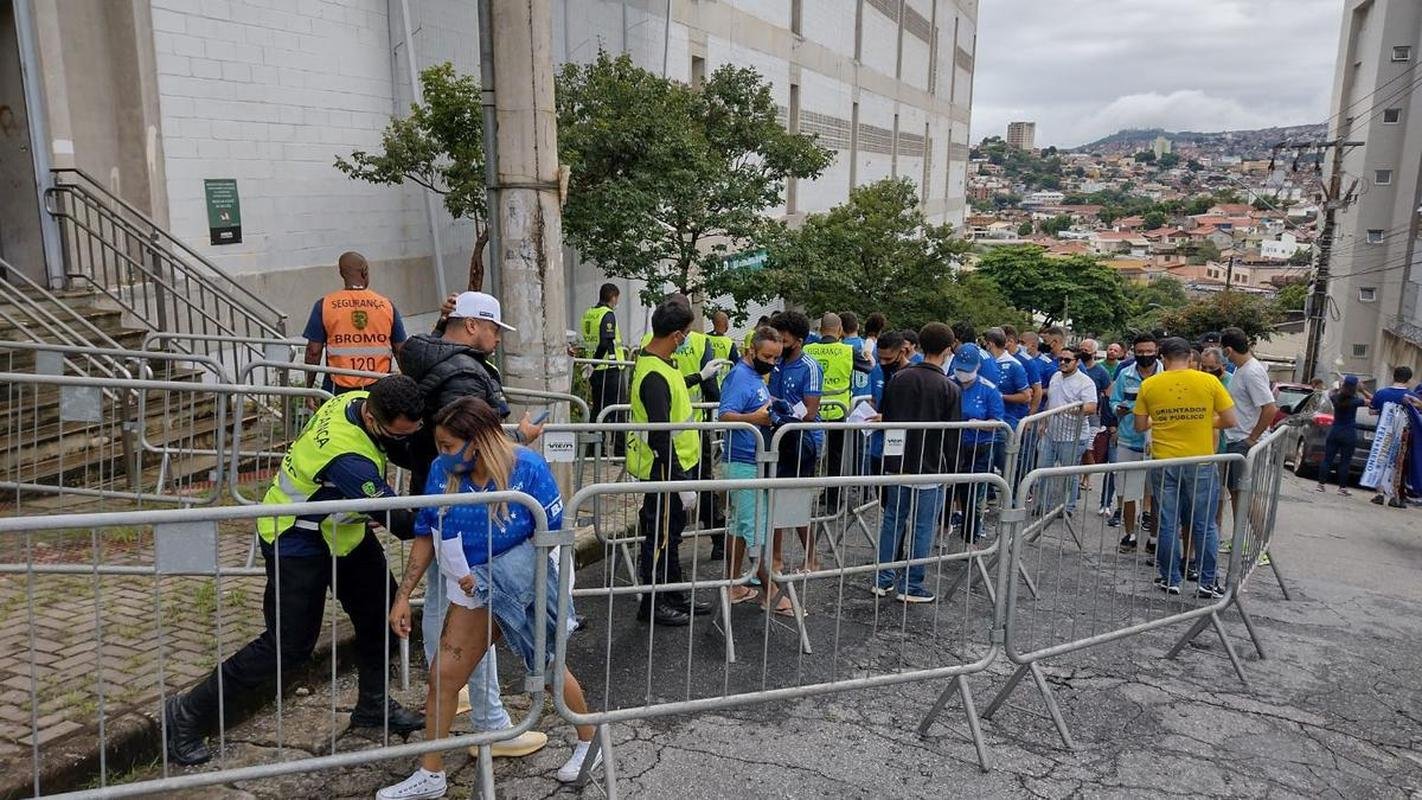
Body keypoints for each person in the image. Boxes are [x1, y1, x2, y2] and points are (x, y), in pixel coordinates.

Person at [163, 376, 427, 766]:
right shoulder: (349, 458)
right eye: (396, 435)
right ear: (372, 419)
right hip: (294, 539)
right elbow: (403, 525)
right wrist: (446, 494)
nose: (402, 442)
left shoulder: (358, 397)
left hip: (341, 531)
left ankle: (373, 706)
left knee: (383, 617)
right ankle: (186, 715)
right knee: (287, 647)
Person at [379, 398, 599, 799]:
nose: (442, 455)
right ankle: (431, 772)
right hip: (473, 590)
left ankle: (589, 742)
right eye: (439, 446)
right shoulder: (440, 471)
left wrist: (543, 594)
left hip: (523, 584)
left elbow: (553, 537)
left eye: (449, 446)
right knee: (443, 677)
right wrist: (403, 595)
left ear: (477, 442)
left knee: (548, 666)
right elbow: (426, 532)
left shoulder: (527, 467)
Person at [397, 291, 548, 760]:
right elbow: (472, 439)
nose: (496, 339)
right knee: (472, 622)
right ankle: (492, 724)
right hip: (468, 510)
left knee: (446, 613)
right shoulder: (464, 372)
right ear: (470, 326)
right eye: (493, 329)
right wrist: (519, 436)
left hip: (444, 504)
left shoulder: (427, 355)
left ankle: (454, 692)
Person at [628, 300, 712, 626]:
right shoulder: (653, 374)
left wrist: (698, 376)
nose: (688, 338)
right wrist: (679, 482)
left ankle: (674, 594)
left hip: (678, 465)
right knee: (660, 537)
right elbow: (660, 436)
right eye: (687, 333)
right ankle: (652, 604)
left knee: (671, 535)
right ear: (677, 334)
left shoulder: (663, 364)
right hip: (664, 469)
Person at [1134, 337, 1237, 598]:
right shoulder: (1209, 381)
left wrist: (1162, 421)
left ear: (1163, 358)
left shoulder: (1149, 384)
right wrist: (1203, 422)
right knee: (1205, 523)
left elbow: (1138, 425)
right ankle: (1207, 580)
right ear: (1190, 359)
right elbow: (1230, 420)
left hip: (1165, 461)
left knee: (1168, 522)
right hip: (1200, 461)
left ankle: (1170, 578)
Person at [874, 323, 961, 602]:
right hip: (931, 466)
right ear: (948, 350)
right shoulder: (949, 388)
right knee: (923, 526)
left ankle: (883, 578)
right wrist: (953, 469)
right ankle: (912, 584)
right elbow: (952, 436)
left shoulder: (899, 378)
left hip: (896, 461)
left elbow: (885, 415)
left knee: (893, 521)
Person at [717, 326, 785, 610]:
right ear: (751, 351)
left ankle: (734, 584)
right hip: (742, 462)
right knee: (755, 527)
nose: (771, 363)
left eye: (775, 358)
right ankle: (772, 593)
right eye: (767, 356)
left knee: (739, 526)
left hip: (750, 460)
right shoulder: (739, 376)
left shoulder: (755, 376)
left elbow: (752, 407)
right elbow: (725, 415)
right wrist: (756, 418)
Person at [302, 251, 408, 395]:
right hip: (378, 389)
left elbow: (313, 352)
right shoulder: (386, 305)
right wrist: (409, 384)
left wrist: (308, 389)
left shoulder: (325, 305)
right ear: (365, 271)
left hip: (336, 390)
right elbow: (401, 351)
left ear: (341, 273)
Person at [769, 311, 825, 576]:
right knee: (775, 498)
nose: (779, 343)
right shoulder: (776, 362)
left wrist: (780, 414)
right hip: (778, 437)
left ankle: (812, 557)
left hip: (802, 441)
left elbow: (810, 411)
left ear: (799, 340)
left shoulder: (810, 367)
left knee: (794, 501)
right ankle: (776, 559)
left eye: (783, 338)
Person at [804, 312, 870, 512]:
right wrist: (867, 354)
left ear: (820, 329)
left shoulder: (808, 349)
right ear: (840, 330)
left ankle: (802, 501)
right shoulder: (848, 351)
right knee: (835, 458)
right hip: (837, 412)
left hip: (811, 410)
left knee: (807, 455)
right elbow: (868, 367)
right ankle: (833, 502)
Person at [1220, 328, 1278, 522]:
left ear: (1228, 350)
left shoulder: (1252, 372)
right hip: (1235, 438)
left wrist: (1251, 438)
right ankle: (1239, 538)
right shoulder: (1241, 369)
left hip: (1243, 440)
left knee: (1245, 495)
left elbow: (1270, 408)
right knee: (1236, 493)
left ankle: (1255, 542)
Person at [948, 343, 1004, 544]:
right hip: (952, 447)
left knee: (972, 496)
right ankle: (943, 528)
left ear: (977, 367)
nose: (963, 374)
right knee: (947, 491)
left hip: (978, 448)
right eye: (960, 369)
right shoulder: (948, 383)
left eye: (967, 370)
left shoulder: (989, 390)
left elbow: (997, 422)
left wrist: (979, 424)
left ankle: (970, 538)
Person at [1110, 333, 1160, 551]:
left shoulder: (1166, 374)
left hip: (1158, 442)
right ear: (1134, 351)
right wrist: (1117, 409)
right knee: (1128, 492)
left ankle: (1154, 538)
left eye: (1149, 351)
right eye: (1140, 352)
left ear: (1156, 350)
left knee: (1157, 494)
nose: (1145, 355)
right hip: (1129, 439)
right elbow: (1113, 400)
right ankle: (1129, 534)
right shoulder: (1125, 374)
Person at [1037, 346, 1097, 517]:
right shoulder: (1056, 377)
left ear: (1077, 362)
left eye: (1067, 360)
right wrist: (1044, 421)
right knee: (1042, 470)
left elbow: (1091, 407)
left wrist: (1071, 409)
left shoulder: (1085, 382)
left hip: (1073, 436)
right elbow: (1051, 401)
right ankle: (1043, 505)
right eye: (1060, 359)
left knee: (1068, 474)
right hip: (1051, 433)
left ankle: (1067, 507)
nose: (1062, 363)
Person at [580, 282, 629, 431]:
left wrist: (592, 365)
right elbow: (604, 342)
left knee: (598, 411)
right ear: (613, 297)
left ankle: (592, 450)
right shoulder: (607, 315)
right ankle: (620, 452)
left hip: (595, 371)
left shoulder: (588, 314)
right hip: (610, 368)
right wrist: (594, 364)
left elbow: (589, 340)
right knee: (617, 412)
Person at [1369, 366, 1420, 507]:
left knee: (1381, 461)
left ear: (1394, 376)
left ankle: (1379, 494)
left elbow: (1371, 412)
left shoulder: (1381, 393)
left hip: (1383, 433)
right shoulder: (1412, 396)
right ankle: (1394, 495)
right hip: (1403, 435)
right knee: (1398, 464)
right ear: (1408, 379)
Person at [864, 330, 908, 477]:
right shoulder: (877, 370)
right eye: (880, 358)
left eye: (888, 359)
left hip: (901, 447)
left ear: (902, 352)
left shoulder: (912, 374)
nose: (883, 363)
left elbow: (914, 411)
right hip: (877, 445)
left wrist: (887, 418)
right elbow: (874, 399)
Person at [1318, 375, 1370, 495]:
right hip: (1349, 432)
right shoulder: (1356, 401)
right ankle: (1342, 488)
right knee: (1345, 461)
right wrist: (1362, 390)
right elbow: (1372, 401)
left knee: (1327, 459)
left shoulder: (1335, 398)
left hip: (1335, 431)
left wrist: (1339, 386)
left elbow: (1329, 392)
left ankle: (1321, 484)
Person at [706, 310, 740, 383]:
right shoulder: (729, 343)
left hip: (705, 380)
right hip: (723, 382)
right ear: (726, 325)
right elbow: (736, 365)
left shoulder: (703, 338)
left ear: (713, 323)